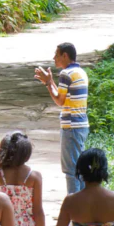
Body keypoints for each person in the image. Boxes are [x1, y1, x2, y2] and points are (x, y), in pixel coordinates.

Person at [34, 42, 89, 194]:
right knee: (80, 169)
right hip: (81, 125)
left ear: (65, 56)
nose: (54, 58)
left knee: (71, 171)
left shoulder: (66, 74)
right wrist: (50, 81)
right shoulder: (79, 72)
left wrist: (47, 83)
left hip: (71, 126)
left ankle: (73, 210)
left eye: (56, 55)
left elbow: (59, 101)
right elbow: (63, 95)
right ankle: (83, 208)